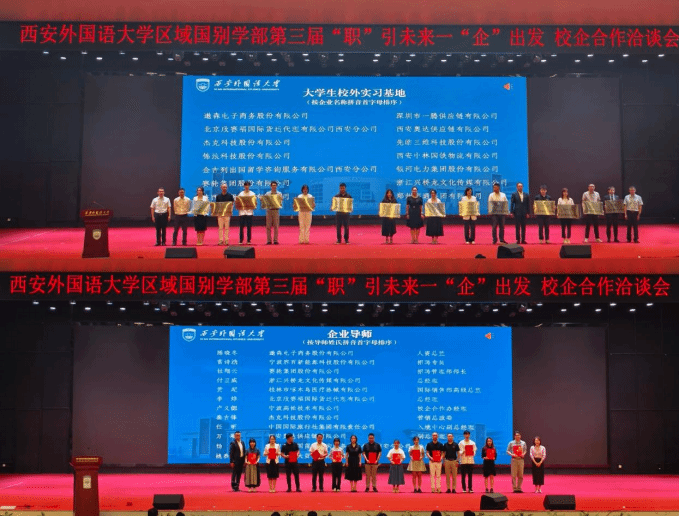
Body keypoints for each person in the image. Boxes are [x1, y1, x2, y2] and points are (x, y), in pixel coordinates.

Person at [264, 180, 283, 245]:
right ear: (270, 186)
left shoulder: (279, 194)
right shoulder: (267, 194)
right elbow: (265, 202)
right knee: (268, 226)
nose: (274, 186)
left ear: (276, 186)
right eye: (272, 185)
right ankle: (269, 240)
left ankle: (275, 240)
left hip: (276, 210)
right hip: (269, 210)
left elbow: (280, 203)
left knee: (276, 226)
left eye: (275, 185)